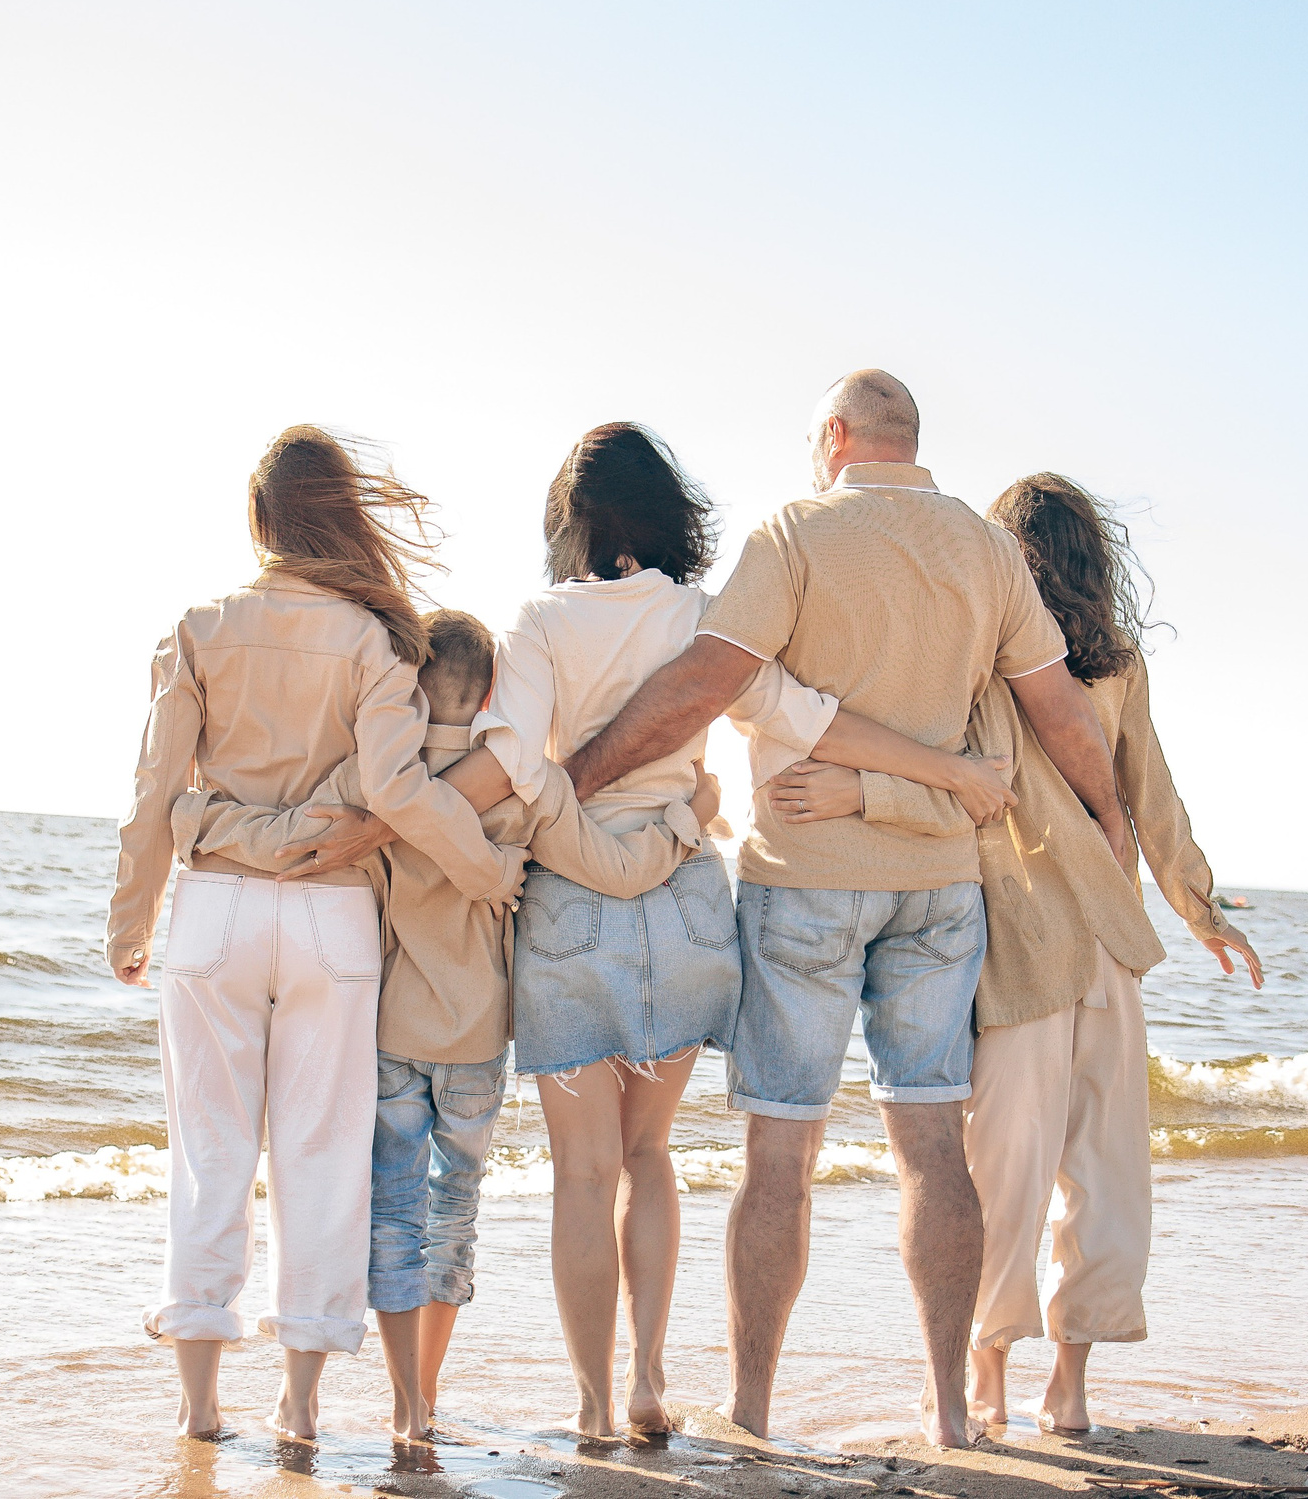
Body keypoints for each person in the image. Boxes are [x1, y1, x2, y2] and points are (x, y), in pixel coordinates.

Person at [278, 422, 1009, 1441]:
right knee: (650, 1158)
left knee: (583, 1174)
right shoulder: (703, 616)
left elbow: (509, 765)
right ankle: (649, 1381)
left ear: (569, 524)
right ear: (668, 512)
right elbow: (803, 715)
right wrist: (948, 771)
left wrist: (384, 821)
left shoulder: (541, 621)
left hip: (572, 908)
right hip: (686, 902)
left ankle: (590, 1405)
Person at [558, 376, 1132, 1448]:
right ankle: (951, 1410)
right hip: (939, 886)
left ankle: (752, 1410)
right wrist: (1111, 824)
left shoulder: (796, 533)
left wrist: (575, 777)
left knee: (780, 1156)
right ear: (909, 440)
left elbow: (703, 683)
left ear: (835, 436)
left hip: (804, 880)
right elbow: (1060, 712)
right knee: (933, 1146)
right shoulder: (986, 549)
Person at [769, 472, 1262, 1438]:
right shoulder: (1117, 668)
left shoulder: (987, 664)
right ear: (1093, 562)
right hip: (1110, 945)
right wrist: (1201, 909)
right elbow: (1153, 796)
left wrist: (860, 795)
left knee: (1003, 1172)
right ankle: (1068, 1389)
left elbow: (966, 786)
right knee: (1106, 1175)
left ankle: (985, 1377)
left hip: (1022, 945)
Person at [185, 607, 722, 1441]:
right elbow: (617, 869)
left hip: (391, 1036)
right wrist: (690, 818)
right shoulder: (524, 788)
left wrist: (197, 823)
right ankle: (429, 1394)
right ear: (497, 691)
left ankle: (405, 1403)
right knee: (452, 1215)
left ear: (406, 685)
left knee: (394, 1214)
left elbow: (297, 849)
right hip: (475, 1045)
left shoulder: (376, 781)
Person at [102, 426, 526, 1442]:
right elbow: (395, 791)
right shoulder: (378, 642)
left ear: (260, 523)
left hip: (214, 908)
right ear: (343, 517)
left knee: (208, 1153)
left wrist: (130, 921)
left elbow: (155, 789)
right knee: (323, 1157)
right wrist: (486, 871)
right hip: (332, 914)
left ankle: (201, 1405)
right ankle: (297, 1405)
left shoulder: (200, 627)